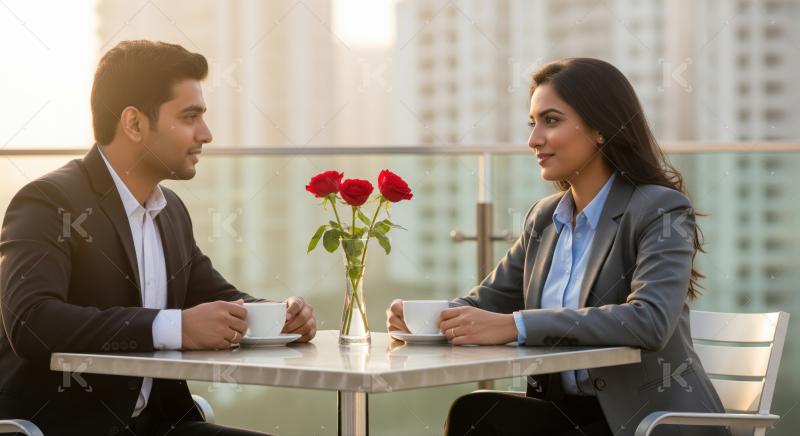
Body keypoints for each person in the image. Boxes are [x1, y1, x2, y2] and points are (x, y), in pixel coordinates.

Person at [387, 58, 731, 436]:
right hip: (569, 415)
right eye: (532, 123)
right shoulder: (545, 218)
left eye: (550, 121)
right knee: (476, 413)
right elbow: (485, 303)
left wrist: (515, 325)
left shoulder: (658, 208)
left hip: (643, 422)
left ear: (601, 128)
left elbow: (649, 321)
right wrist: (423, 319)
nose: (534, 139)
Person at [0, 40, 316, 435]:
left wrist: (280, 317)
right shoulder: (49, 201)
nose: (207, 133)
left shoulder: (171, 212)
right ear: (133, 123)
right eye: (190, 117)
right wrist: (176, 327)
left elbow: (215, 297)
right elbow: (31, 321)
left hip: (160, 426)